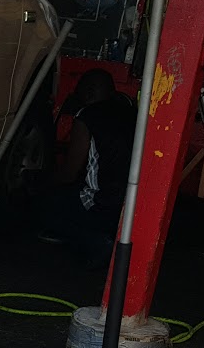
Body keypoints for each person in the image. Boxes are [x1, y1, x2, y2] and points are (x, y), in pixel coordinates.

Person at [38, 68, 137, 263]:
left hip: (101, 205)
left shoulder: (87, 116)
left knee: (46, 205)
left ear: (89, 92)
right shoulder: (132, 114)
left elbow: (69, 174)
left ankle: (95, 242)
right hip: (130, 207)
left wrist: (41, 180)